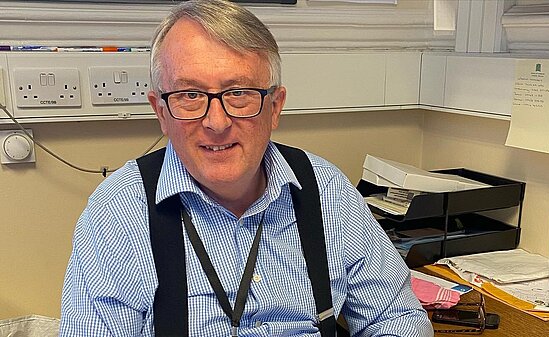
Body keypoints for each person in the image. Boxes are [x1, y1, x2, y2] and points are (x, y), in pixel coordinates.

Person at [59, 0, 434, 336]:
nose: (217, 122)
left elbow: (397, 318)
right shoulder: (117, 213)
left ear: (274, 107)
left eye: (238, 93)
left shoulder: (327, 192)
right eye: (190, 95)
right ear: (161, 111)